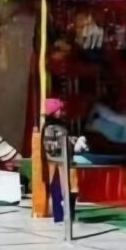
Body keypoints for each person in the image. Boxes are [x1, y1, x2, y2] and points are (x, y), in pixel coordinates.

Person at [43, 96, 86, 224]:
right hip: (56, 160)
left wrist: (73, 141)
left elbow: (65, 138)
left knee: (70, 186)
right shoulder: (50, 127)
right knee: (58, 186)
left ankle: (69, 212)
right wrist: (69, 143)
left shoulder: (62, 125)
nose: (61, 112)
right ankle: (59, 215)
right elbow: (50, 145)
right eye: (59, 110)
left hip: (65, 158)